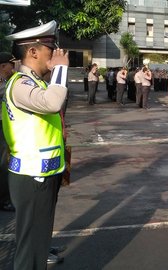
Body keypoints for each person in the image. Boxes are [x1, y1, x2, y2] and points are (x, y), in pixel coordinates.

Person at [2, 20, 69, 269]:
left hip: (44, 172)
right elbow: (52, 103)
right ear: (33, 51)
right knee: (29, 251)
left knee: (37, 244)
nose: (53, 58)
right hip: (32, 176)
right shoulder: (20, 84)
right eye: (50, 53)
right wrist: (61, 71)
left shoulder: (37, 82)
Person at [0, 52, 16, 212]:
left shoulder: (6, 81)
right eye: (11, 65)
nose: (13, 68)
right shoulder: (4, 84)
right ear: (3, 66)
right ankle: (4, 200)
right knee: (4, 164)